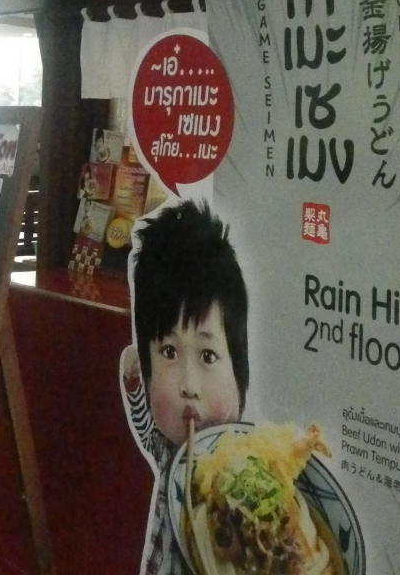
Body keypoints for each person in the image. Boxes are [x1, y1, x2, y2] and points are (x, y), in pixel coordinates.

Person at [120, 199, 249, 575]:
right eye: (169, 352)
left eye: (208, 355)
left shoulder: (241, 469)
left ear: (240, 369)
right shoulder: (167, 450)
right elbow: (144, 426)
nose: (189, 385)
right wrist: (133, 383)